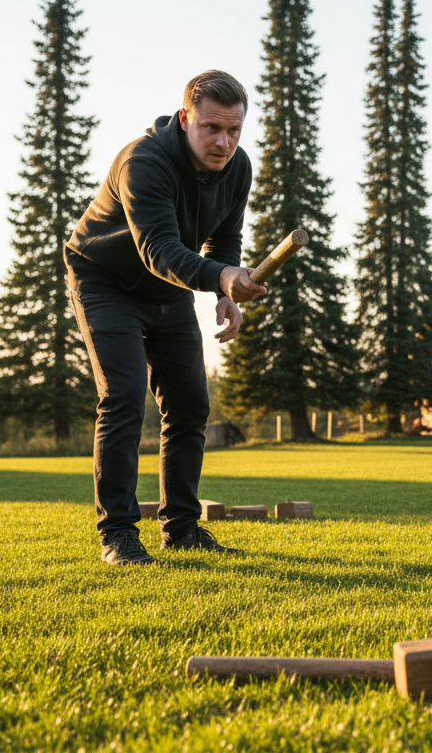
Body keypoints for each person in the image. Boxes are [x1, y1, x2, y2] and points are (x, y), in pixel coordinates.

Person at [65, 70, 266, 565]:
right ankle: (117, 534)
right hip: (106, 281)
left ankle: (181, 529)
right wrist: (221, 276)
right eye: (212, 128)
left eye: (234, 130)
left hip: (169, 286)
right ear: (185, 119)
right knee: (124, 397)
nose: (224, 143)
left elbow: (225, 236)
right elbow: (159, 250)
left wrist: (224, 292)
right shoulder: (144, 162)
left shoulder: (237, 167)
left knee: (190, 403)